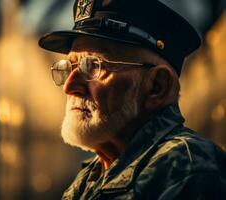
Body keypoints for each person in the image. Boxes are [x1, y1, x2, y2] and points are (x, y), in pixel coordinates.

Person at [38, 0, 226, 199]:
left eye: (93, 66)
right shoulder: (93, 174)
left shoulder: (187, 170)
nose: (69, 86)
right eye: (69, 67)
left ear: (157, 86)